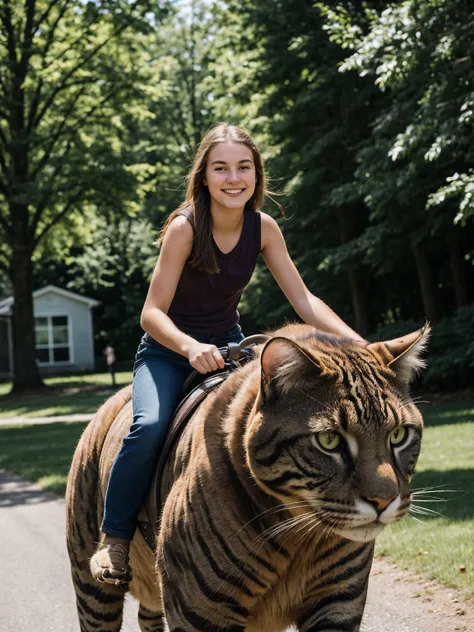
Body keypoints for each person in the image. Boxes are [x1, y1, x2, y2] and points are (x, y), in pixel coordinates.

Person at [90, 122, 364, 584]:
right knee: (149, 425)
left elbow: (304, 301)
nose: (233, 178)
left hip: (230, 348)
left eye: (243, 167)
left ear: (257, 174)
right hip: (168, 352)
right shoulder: (184, 228)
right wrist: (189, 346)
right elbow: (151, 313)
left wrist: (359, 345)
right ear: (204, 177)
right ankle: (114, 538)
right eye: (221, 168)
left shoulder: (264, 229)